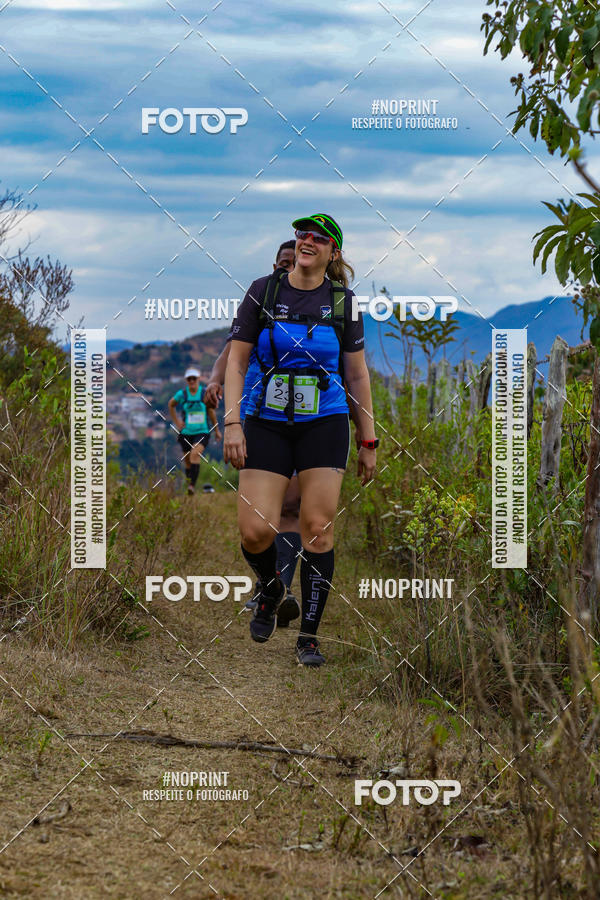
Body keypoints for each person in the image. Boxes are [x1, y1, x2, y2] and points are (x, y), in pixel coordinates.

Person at [223, 214, 378, 667]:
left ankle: (308, 637)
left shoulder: (342, 302)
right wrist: (232, 424)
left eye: (318, 238)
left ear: (333, 253)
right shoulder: (263, 291)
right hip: (266, 421)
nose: (307, 241)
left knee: (317, 528)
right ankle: (272, 589)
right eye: (301, 234)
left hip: (324, 422)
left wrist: (368, 439)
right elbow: (235, 365)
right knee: (254, 531)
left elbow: (357, 374)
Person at [205, 239, 303, 625]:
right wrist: (215, 381)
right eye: (283, 262)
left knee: (291, 507)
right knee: (259, 516)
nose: (287, 267)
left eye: (293, 262)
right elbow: (233, 351)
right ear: (274, 264)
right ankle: (271, 586)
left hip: (305, 422)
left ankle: (278, 589)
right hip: (255, 414)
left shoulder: (322, 307)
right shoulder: (262, 299)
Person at [168, 367, 221, 495]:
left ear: (198, 379)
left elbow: (211, 412)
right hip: (186, 432)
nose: (192, 381)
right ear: (187, 380)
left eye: (194, 378)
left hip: (202, 431)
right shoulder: (183, 394)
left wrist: (216, 430)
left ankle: (192, 486)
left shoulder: (204, 393)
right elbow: (171, 404)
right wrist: (177, 422)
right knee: (187, 461)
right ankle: (189, 486)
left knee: (195, 455)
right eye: (189, 379)